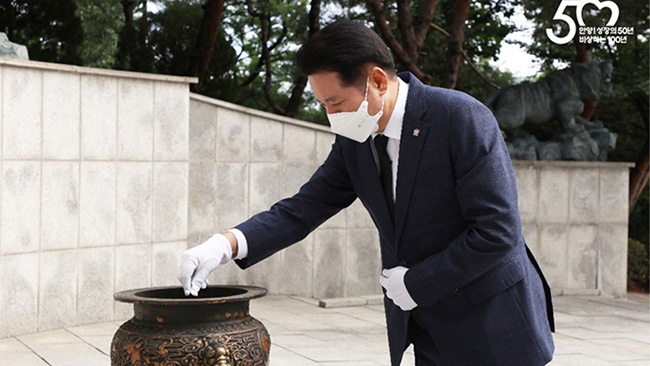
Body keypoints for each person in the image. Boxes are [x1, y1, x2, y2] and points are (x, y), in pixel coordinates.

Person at [178, 20, 555, 366]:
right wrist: (224, 245)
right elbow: (305, 207)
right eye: (322, 105)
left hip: (493, 324)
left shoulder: (460, 118)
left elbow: (497, 233)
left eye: (336, 102)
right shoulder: (356, 138)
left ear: (376, 81)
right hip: (427, 327)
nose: (331, 116)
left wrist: (416, 283)